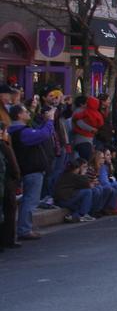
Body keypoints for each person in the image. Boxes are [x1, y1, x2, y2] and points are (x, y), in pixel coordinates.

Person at [9, 103, 54, 241]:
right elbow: (43, 134)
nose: (28, 113)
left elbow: (39, 132)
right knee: (30, 200)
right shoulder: (21, 131)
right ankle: (24, 229)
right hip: (31, 169)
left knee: (27, 199)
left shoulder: (20, 130)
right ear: (19, 115)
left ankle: (24, 227)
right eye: (25, 111)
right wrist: (50, 121)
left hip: (28, 169)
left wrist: (45, 122)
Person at [54, 157, 96, 223]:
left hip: (61, 200)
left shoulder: (64, 174)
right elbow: (87, 185)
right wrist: (82, 174)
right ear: (76, 168)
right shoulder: (73, 175)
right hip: (65, 200)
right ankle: (82, 215)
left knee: (80, 205)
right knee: (88, 192)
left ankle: (73, 216)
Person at [71, 95, 104, 161]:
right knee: (85, 159)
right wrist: (92, 129)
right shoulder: (80, 111)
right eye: (86, 103)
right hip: (82, 139)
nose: (87, 105)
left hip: (86, 138)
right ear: (81, 104)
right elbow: (79, 123)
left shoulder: (85, 111)